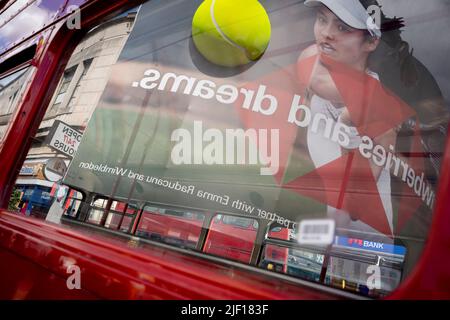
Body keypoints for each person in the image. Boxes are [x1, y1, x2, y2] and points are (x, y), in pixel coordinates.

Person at [298, 0, 405, 239]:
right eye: (322, 19)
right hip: (331, 240)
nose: (326, 34)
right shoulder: (315, 69)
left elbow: (356, 203)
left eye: (343, 27)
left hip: (368, 250)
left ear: (371, 41)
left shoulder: (375, 104)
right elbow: (312, 71)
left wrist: (348, 134)